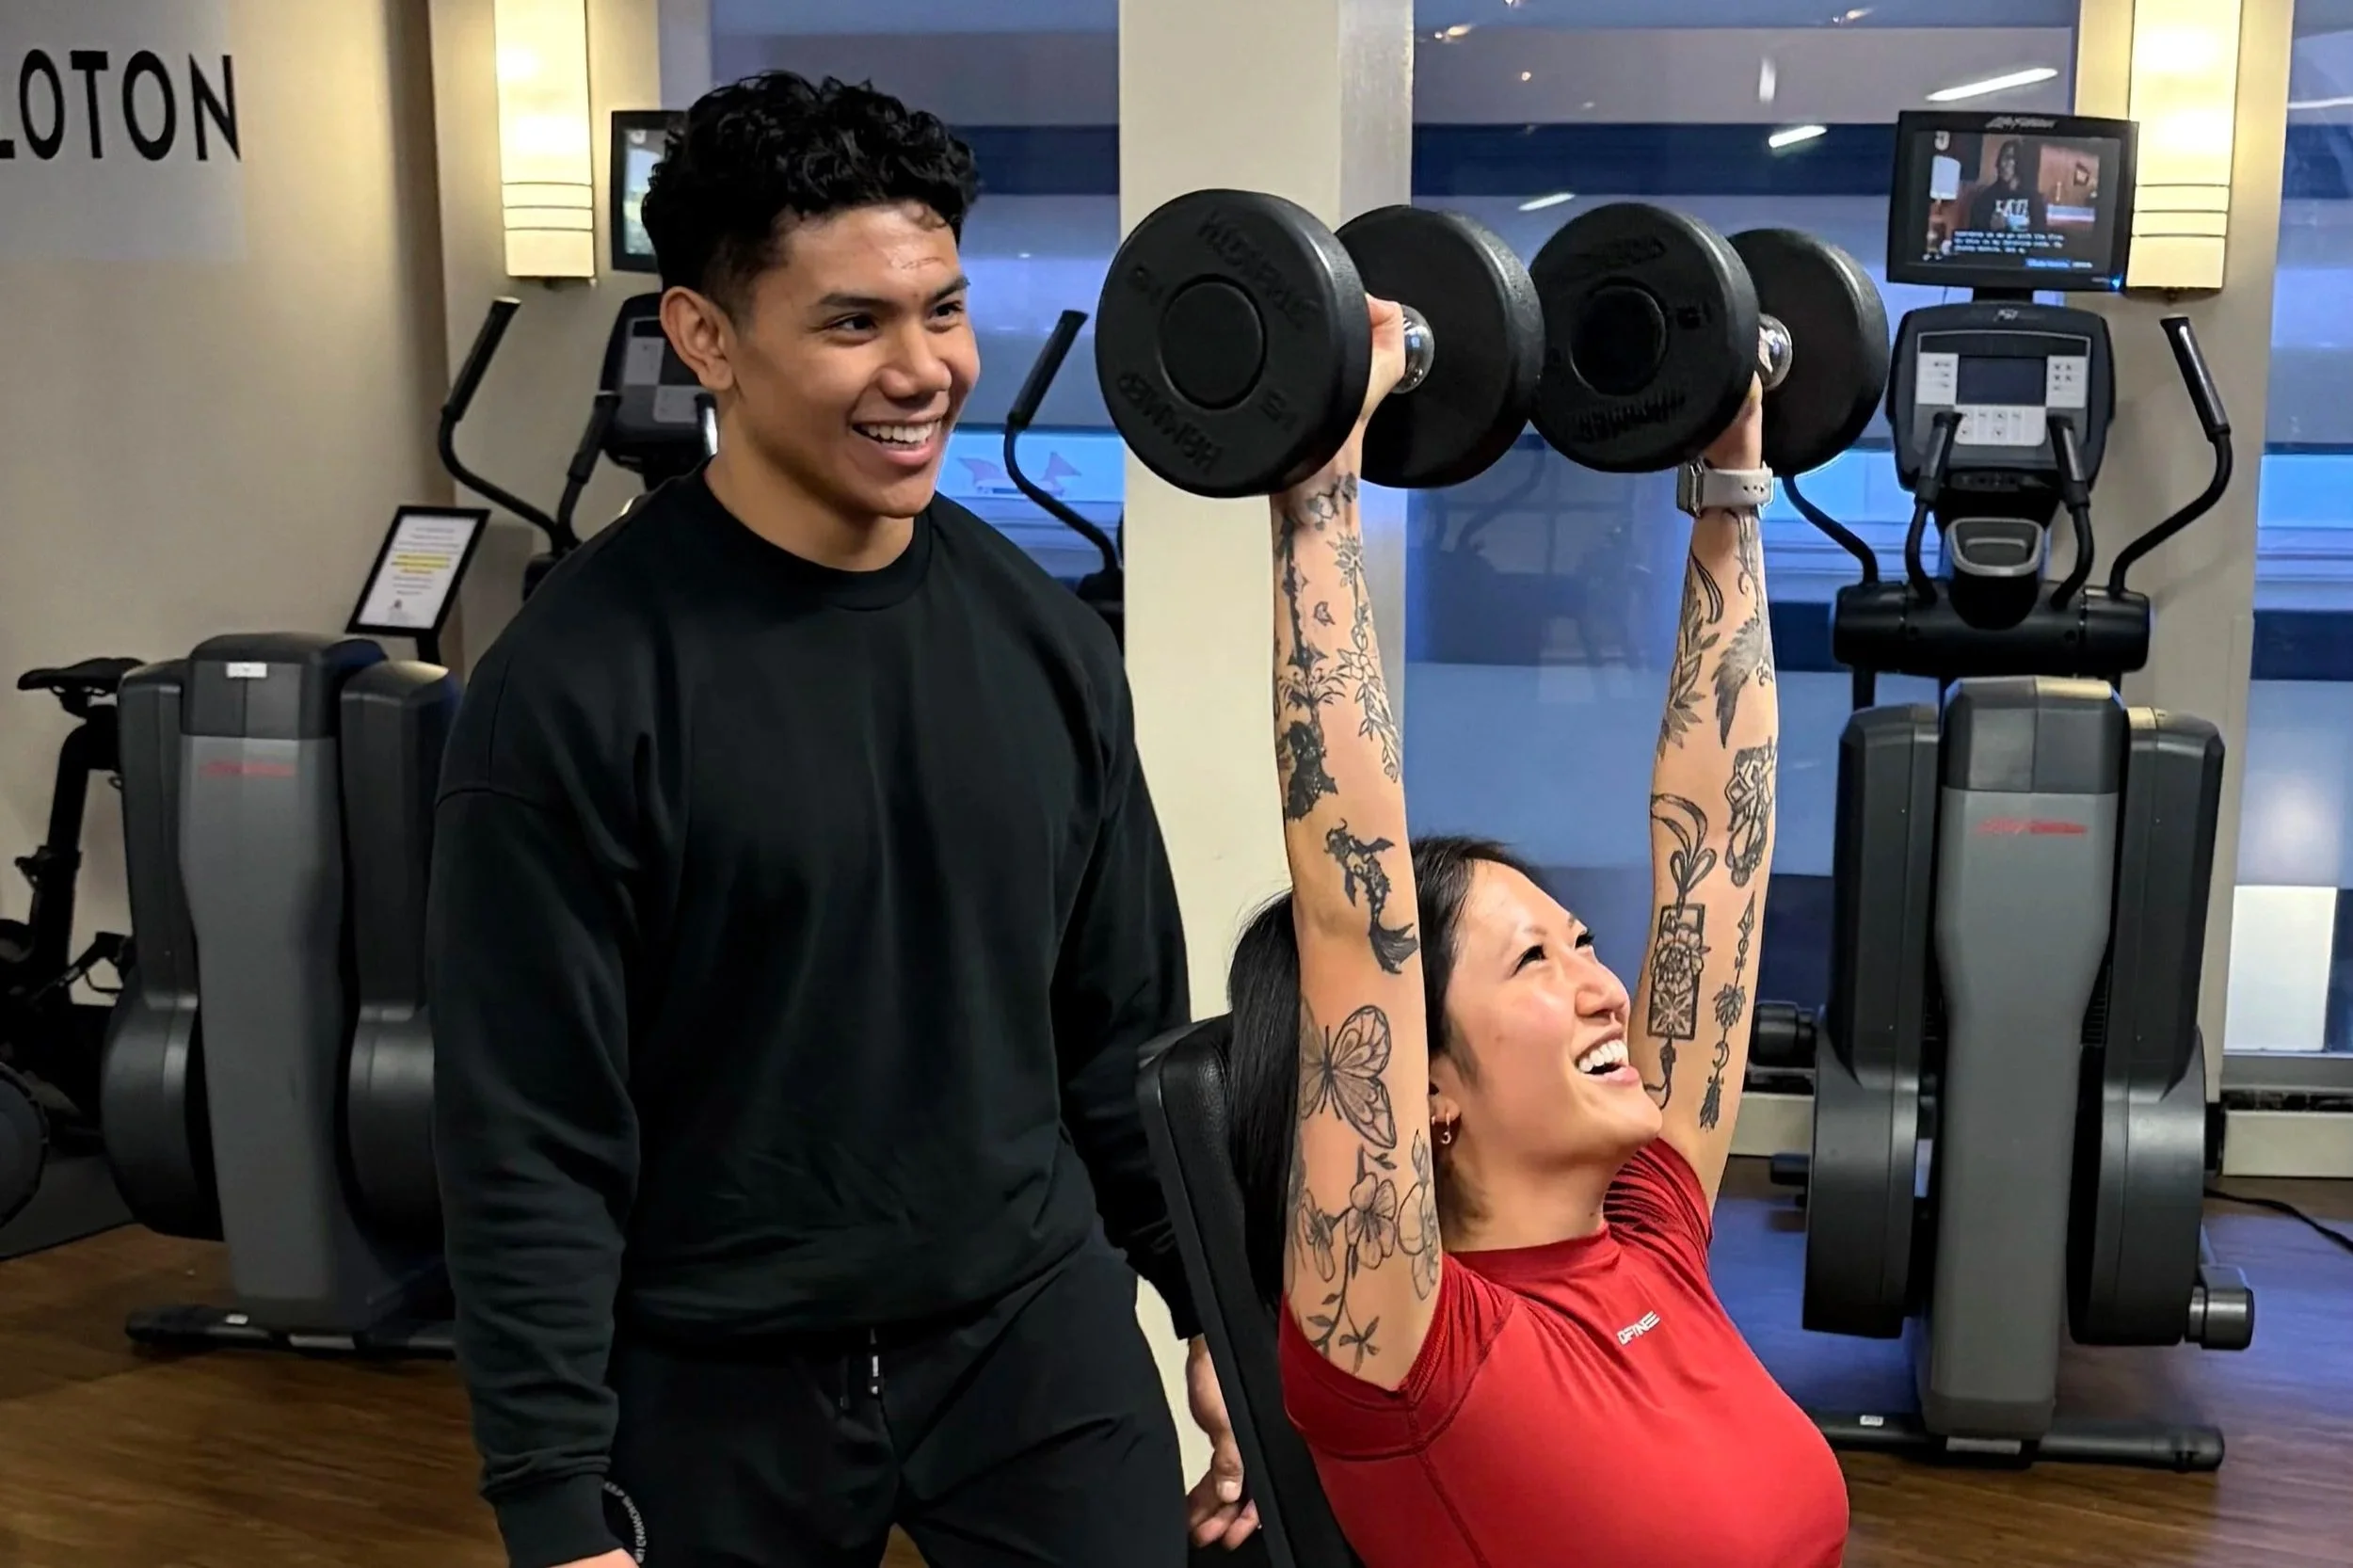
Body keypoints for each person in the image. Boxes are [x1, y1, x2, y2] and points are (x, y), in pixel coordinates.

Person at [425, 72, 1258, 1568]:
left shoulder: (1045, 644)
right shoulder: (575, 688)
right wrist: (553, 1500)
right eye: (853, 323)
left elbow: (1121, 1034)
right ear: (705, 340)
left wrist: (1215, 1317)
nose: (925, 367)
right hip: (711, 1367)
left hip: (1026, 1328)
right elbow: (528, 1129)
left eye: (940, 308)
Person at [1220, 299, 1850, 1565]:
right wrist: (1317, 500)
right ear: (1426, 1085)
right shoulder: (1397, 1344)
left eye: (1577, 942)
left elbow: (1715, 865)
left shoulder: (1651, 1232)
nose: (1606, 987)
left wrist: (1731, 480)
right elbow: (1358, 912)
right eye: (1536, 961)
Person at [1964, 136, 2049, 235]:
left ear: (2020, 162)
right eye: (2001, 158)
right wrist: (1989, 226)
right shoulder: (1985, 198)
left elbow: (2041, 237)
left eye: (2009, 158)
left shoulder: (2034, 199)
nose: (2002, 164)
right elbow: (1973, 236)